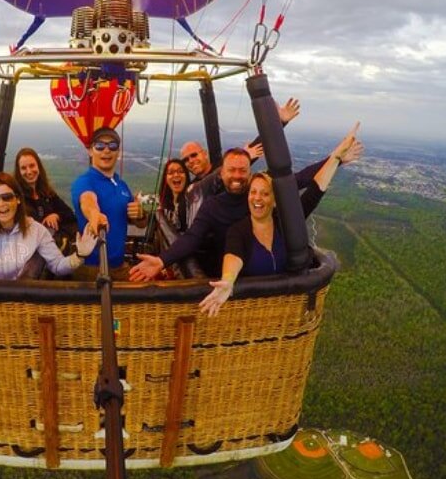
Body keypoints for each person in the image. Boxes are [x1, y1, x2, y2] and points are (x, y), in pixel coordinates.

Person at [130, 123, 363, 282]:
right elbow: (192, 238)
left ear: (249, 173)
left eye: (243, 170)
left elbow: (302, 182)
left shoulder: (261, 196)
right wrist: (162, 260)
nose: (237, 175)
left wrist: (336, 159)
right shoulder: (214, 207)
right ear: (221, 173)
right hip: (234, 274)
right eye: (232, 170)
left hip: (267, 271)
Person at [199, 127, 360, 316]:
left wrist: (335, 158)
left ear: (275, 201)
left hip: (286, 313)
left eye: (265, 193)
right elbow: (233, 257)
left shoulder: (286, 224)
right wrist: (227, 280)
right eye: (253, 192)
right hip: (251, 312)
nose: (257, 198)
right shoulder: (239, 231)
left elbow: (316, 188)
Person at [0, 173, 97, 280]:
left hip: (23, 305)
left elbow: (57, 266)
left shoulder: (36, 231)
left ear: (17, 199)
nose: (1, 204)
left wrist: (79, 256)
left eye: (7, 197)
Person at [71, 127, 148, 281]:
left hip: (119, 266)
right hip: (90, 269)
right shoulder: (84, 181)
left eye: (112, 146)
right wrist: (94, 215)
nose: (106, 150)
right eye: (99, 146)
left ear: (118, 152)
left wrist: (140, 214)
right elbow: (88, 200)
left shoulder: (122, 185)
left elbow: (140, 223)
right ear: (90, 151)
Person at [179, 97, 301, 181]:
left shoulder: (224, 165)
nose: (190, 161)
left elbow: (260, 144)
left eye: (194, 155)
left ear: (204, 153)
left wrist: (280, 122)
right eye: (185, 160)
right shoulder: (192, 188)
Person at [14, 147, 79, 252]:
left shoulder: (47, 193)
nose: (29, 171)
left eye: (32, 166)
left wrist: (56, 216)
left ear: (38, 166)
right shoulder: (17, 198)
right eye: (23, 168)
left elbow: (70, 214)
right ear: (19, 172)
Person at [158, 158, 191, 233]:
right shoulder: (164, 205)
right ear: (165, 178)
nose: (176, 175)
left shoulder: (192, 201)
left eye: (181, 171)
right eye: (170, 172)